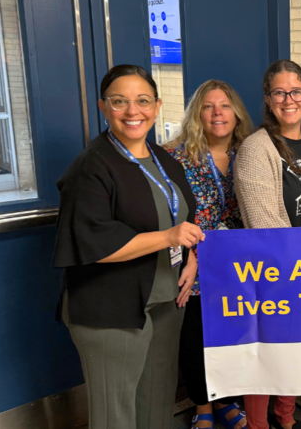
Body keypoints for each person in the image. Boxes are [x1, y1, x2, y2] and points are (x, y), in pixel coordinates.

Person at [53, 64, 203, 429]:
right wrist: (169, 239)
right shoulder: (91, 167)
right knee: (115, 415)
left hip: (166, 301)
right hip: (111, 308)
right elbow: (93, 243)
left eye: (143, 101)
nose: (133, 111)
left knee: (156, 403)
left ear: (157, 105)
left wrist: (191, 257)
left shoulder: (165, 160)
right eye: (120, 101)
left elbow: (184, 216)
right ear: (104, 106)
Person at [234, 60, 301, 429]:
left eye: (296, 91)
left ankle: (287, 418)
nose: (288, 99)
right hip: (279, 269)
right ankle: (260, 424)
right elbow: (264, 224)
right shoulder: (255, 149)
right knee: (268, 353)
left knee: (296, 349)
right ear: (268, 99)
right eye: (279, 92)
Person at [164, 79, 253, 429]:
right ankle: (202, 405)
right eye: (208, 106)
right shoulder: (175, 157)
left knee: (232, 336)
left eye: (225, 106)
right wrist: (194, 255)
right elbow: (169, 217)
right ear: (196, 114)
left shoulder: (250, 152)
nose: (217, 113)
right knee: (195, 338)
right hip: (192, 264)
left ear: (236, 113)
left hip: (239, 262)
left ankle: (227, 400)